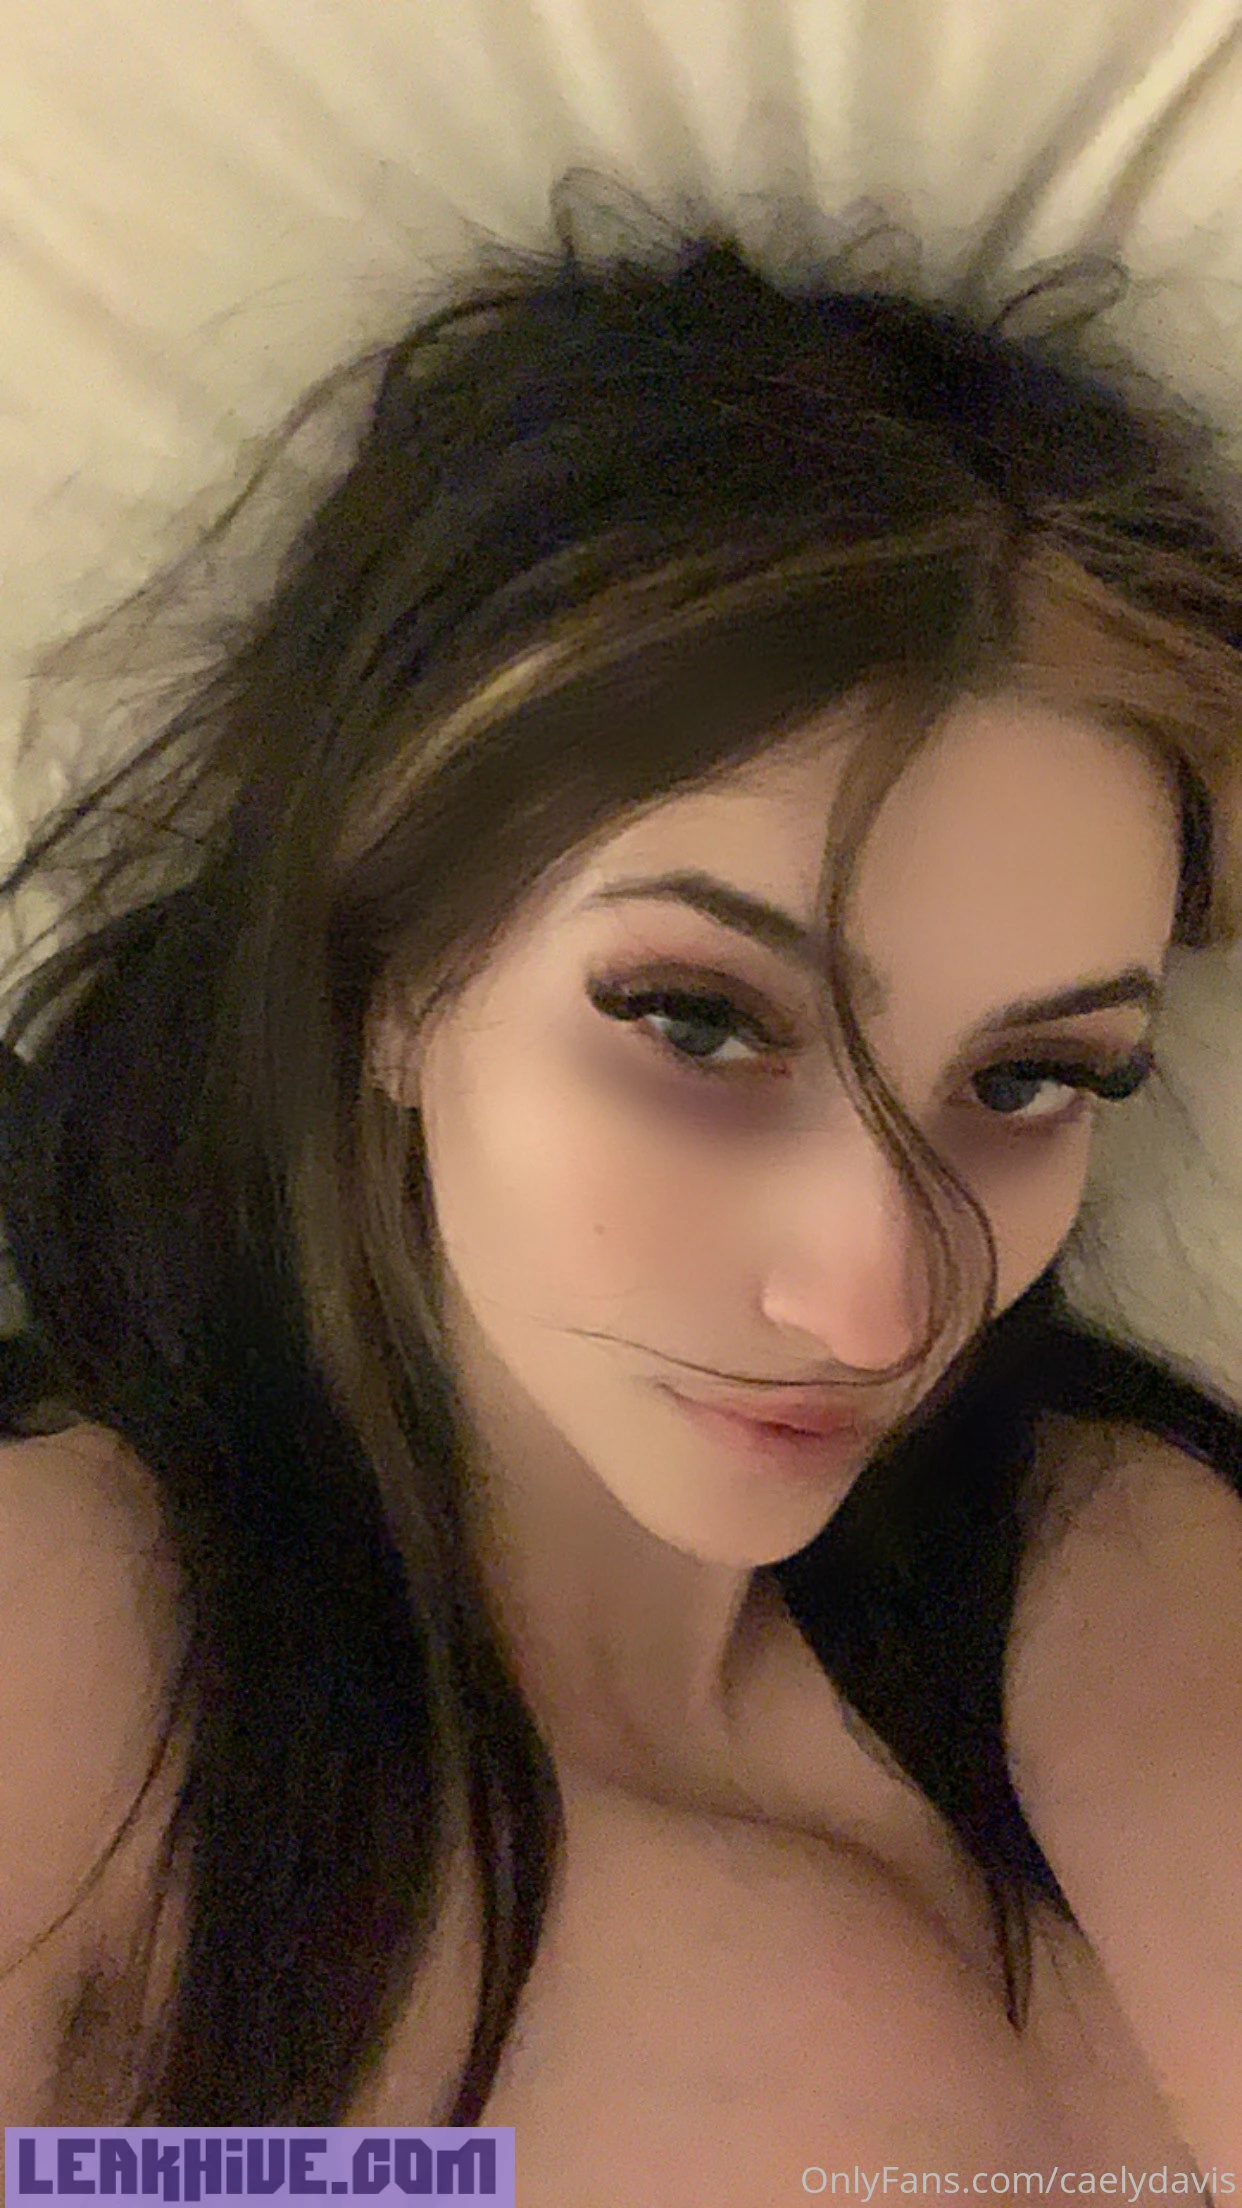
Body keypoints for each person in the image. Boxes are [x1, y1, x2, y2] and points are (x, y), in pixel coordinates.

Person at [0, 173, 1238, 2186]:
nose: (879, 1303)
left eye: (1032, 1078)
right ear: (387, 963)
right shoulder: (81, 1656)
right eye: (702, 1024)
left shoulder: (1099, 1564)